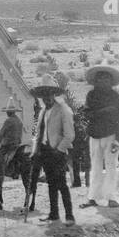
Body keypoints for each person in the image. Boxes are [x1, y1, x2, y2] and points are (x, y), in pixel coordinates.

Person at [32, 73, 75, 225]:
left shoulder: (63, 110)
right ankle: (54, 213)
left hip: (57, 152)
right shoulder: (43, 111)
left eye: (49, 94)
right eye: (44, 95)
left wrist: (59, 150)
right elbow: (39, 133)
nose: (47, 97)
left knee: (61, 184)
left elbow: (70, 135)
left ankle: (69, 215)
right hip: (44, 151)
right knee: (51, 183)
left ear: (54, 94)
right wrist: (35, 151)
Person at [81, 62, 119, 210]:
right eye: (100, 79)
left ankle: (111, 197)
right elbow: (86, 113)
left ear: (111, 81)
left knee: (111, 165)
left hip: (111, 136)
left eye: (106, 79)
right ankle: (92, 197)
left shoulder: (116, 97)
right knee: (96, 166)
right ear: (96, 81)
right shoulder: (91, 95)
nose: (103, 81)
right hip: (94, 136)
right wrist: (105, 111)